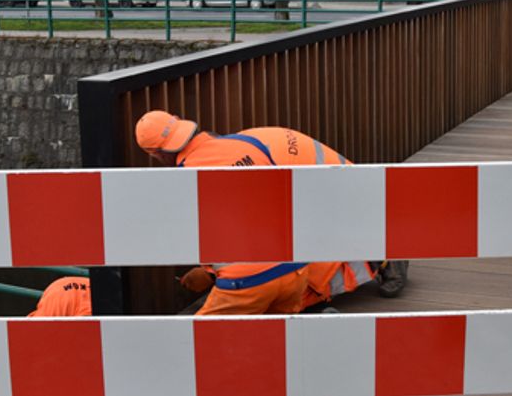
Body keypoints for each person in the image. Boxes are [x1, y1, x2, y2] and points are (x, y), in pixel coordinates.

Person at [134, 111, 407, 312]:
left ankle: (382, 257)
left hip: (345, 211)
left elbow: (230, 229)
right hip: (351, 198)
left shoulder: (197, 173)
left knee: (306, 282)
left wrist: (212, 274)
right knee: (286, 277)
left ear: (158, 155)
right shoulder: (248, 143)